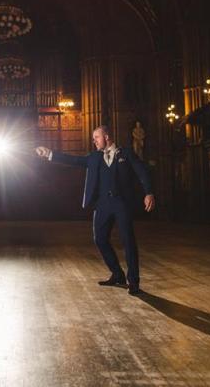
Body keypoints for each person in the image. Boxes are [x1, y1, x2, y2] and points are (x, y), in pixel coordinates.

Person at [36, 125, 154, 295]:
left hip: (122, 203)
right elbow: (74, 160)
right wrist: (49, 153)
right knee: (99, 239)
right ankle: (117, 273)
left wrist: (149, 192)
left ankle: (133, 282)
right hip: (102, 205)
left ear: (106, 137)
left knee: (128, 241)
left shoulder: (126, 154)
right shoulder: (93, 157)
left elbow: (142, 172)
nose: (94, 141)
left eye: (96, 137)